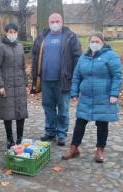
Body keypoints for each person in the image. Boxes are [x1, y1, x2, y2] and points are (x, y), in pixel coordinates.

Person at [62, 33, 123, 163]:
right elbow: (77, 76)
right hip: (86, 97)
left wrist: (114, 94)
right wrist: (74, 93)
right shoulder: (83, 58)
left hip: (104, 96)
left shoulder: (111, 56)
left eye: (97, 41)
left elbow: (117, 76)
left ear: (103, 42)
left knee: (102, 123)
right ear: (89, 43)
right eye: (92, 41)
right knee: (80, 122)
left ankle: (100, 150)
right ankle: (74, 148)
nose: (94, 43)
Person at [30, 13, 82, 146]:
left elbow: (77, 58)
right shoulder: (42, 37)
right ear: (48, 23)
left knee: (63, 109)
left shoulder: (70, 37)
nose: (55, 23)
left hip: (63, 80)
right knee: (48, 108)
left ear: (62, 22)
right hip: (46, 80)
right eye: (52, 21)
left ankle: (62, 134)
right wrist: (34, 79)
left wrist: (75, 79)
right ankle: (50, 132)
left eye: (57, 21)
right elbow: (35, 58)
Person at [0, 23, 28, 149]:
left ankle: (20, 138)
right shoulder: (0, 47)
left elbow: (23, 67)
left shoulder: (20, 47)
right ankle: (10, 139)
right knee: (7, 113)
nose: (12, 34)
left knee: (21, 112)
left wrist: (26, 83)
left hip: (19, 84)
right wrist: (0, 85)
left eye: (14, 31)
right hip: (6, 85)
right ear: (6, 33)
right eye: (10, 31)